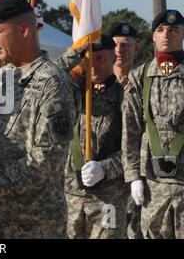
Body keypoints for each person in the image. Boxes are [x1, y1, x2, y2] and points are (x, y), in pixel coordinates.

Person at [0, 0, 80, 238]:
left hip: (35, 223)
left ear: (23, 30)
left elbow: (49, 155)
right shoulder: (0, 77)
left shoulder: (53, 82)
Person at [55, 36, 129, 238]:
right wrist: (74, 52)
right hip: (72, 197)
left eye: (100, 59)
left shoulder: (126, 98)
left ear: (113, 59)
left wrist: (106, 168)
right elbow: (48, 75)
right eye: (88, 59)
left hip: (108, 198)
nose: (93, 66)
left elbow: (137, 148)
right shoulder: (71, 93)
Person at [122, 9, 184, 239]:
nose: (166, 34)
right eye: (160, 30)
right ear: (153, 37)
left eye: (173, 30)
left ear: (183, 35)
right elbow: (131, 129)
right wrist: (133, 177)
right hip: (153, 185)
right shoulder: (140, 76)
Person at [109, 23, 143, 239]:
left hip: (136, 171)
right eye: (115, 45)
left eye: (125, 45)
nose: (119, 51)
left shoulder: (144, 81)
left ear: (136, 49)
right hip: (107, 176)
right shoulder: (99, 83)